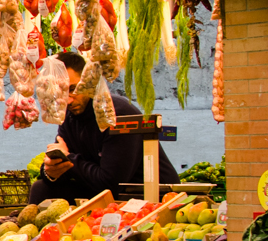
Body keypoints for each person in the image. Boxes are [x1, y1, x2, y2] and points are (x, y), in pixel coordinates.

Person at [30, 53, 179, 204]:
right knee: (41, 188)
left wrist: (70, 159)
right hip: (99, 188)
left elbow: (110, 183)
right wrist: (50, 171)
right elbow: (63, 163)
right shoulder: (69, 115)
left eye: (73, 89)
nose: (68, 99)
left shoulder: (115, 114)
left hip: (145, 195)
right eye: (60, 92)